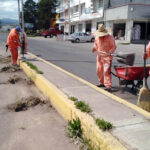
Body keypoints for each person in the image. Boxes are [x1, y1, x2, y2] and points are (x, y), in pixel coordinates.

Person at [92, 24, 116, 92]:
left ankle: (108, 85)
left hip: (107, 57)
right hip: (99, 56)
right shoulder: (97, 38)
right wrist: (94, 48)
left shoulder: (110, 38)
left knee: (106, 71)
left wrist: (110, 52)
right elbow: (96, 45)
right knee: (99, 70)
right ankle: (101, 83)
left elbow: (113, 46)